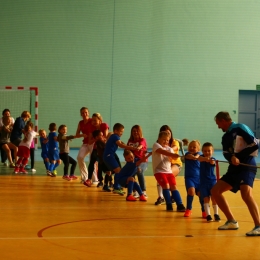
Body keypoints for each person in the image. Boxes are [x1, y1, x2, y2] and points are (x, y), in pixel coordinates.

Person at [211, 111, 260, 236]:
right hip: (234, 168)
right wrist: (232, 157)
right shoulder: (225, 137)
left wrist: (239, 156)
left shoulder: (240, 127)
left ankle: (258, 225)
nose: (218, 127)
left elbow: (255, 143)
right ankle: (232, 221)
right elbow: (226, 153)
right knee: (215, 191)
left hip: (247, 165)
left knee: (246, 192)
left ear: (223, 120)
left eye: (218, 124)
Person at [152, 131, 186, 211]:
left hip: (169, 172)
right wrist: (172, 154)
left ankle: (180, 204)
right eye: (164, 139)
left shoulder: (169, 148)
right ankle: (169, 204)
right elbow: (162, 151)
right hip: (159, 171)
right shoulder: (156, 145)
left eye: (167, 140)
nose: (166, 142)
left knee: (174, 187)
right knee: (166, 185)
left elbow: (173, 158)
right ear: (159, 139)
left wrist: (176, 156)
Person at [103, 123, 137, 195]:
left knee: (116, 170)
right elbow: (121, 145)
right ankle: (116, 187)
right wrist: (130, 148)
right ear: (116, 131)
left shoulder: (113, 136)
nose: (122, 133)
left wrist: (129, 147)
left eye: (122, 132)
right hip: (109, 156)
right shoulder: (115, 136)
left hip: (108, 156)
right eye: (121, 131)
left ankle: (116, 186)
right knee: (118, 170)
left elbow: (122, 143)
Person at [197, 142, 220, 222]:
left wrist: (209, 160)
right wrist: (204, 159)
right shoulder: (201, 157)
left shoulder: (213, 159)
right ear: (202, 151)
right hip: (203, 183)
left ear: (212, 151)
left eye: (209, 151)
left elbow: (212, 162)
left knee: (214, 198)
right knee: (206, 199)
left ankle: (216, 214)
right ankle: (208, 215)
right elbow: (198, 158)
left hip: (212, 182)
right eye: (205, 151)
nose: (207, 153)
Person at [183, 140, 205, 218]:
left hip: (198, 179)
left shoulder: (200, 155)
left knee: (200, 194)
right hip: (189, 178)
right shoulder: (187, 154)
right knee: (191, 191)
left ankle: (204, 210)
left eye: (194, 147)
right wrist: (195, 157)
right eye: (190, 146)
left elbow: (198, 157)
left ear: (198, 149)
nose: (192, 148)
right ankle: (188, 209)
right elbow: (192, 157)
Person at [87, 113, 109, 187]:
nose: (93, 122)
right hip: (96, 148)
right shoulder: (91, 128)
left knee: (101, 164)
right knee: (92, 162)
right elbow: (89, 142)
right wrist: (95, 139)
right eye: (92, 120)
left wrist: (101, 138)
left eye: (95, 120)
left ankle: (103, 181)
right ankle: (89, 179)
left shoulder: (104, 126)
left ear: (100, 120)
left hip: (103, 149)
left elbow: (106, 138)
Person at [127, 125, 148, 198]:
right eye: (133, 131)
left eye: (137, 131)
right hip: (132, 161)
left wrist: (138, 147)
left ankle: (143, 191)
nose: (135, 132)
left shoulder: (142, 140)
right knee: (130, 173)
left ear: (140, 132)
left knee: (139, 170)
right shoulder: (130, 141)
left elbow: (141, 145)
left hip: (142, 161)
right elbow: (127, 150)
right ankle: (135, 191)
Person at [75, 107, 94, 186]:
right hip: (85, 143)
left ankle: (95, 180)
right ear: (81, 114)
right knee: (80, 157)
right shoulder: (80, 123)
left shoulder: (92, 121)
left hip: (93, 143)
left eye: (86, 112)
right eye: (82, 113)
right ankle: (85, 178)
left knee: (93, 161)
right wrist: (82, 135)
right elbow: (77, 135)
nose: (84, 114)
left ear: (88, 113)